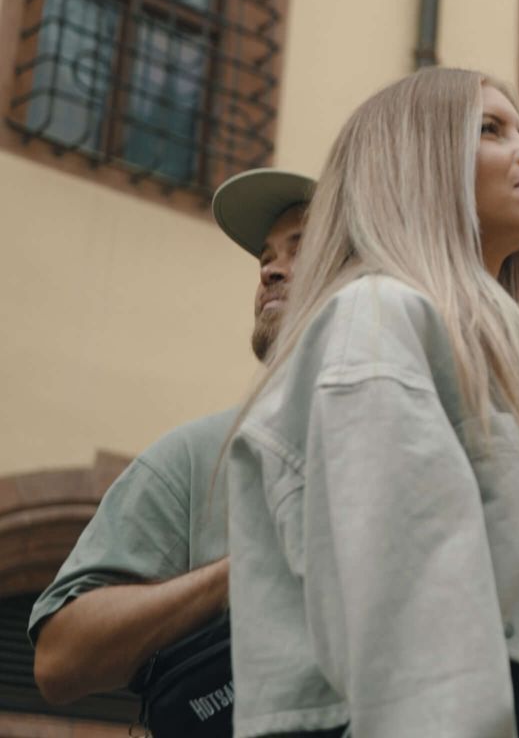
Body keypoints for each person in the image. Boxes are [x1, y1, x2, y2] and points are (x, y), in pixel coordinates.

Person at [223, 68, 519, 737]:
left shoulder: (474, 353)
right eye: (490, 130)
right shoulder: (376, 320)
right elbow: (415, 654)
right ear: (414, 163)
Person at [30, 167, 312, 707]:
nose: (270, 270)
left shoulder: (433, 426)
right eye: (266, 257)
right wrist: (249, 566)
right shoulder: (196, 455)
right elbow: (59, 659)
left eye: (303, 249)